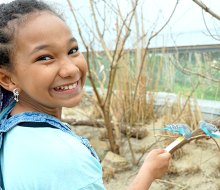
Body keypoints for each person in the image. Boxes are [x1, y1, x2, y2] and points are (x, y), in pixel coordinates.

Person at [0, 0, 171, 189]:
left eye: (72, 50)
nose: (71, 69)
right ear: (7, 78)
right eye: (45, 57)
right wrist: (148, 174)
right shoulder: (63, 156)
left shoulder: (12, 132)